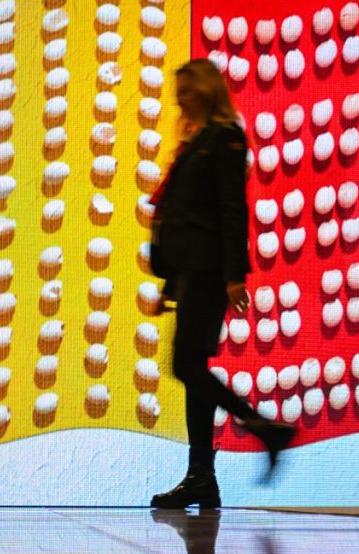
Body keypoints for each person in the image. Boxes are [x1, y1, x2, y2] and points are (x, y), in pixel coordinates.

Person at [149, 59, 296, 509]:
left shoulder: (226, 138)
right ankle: (201, 479)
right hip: (192, 271)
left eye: (187, 92)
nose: (180, 101)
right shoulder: (195, 142)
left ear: (208, 91)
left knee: (187, 368)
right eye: (178, 95)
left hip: (211, 270)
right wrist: (170, 283)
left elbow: (232, 209)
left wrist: (236, 275)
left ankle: (265, 429)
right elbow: (182, 213)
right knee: (192, 371)